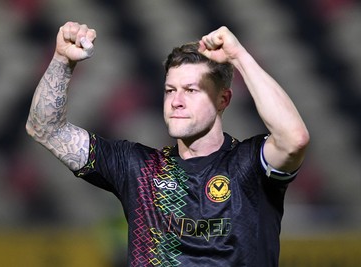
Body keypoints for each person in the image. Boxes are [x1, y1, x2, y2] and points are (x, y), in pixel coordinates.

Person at [26, 21, 310, 266]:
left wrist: (239, 57)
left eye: (191, 90)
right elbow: (46, 129)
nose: (176, 101)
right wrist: (62, 61)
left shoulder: (249, 165)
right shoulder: (138, 168)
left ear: (223, 99)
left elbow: (294, 139)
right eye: (170, 90)